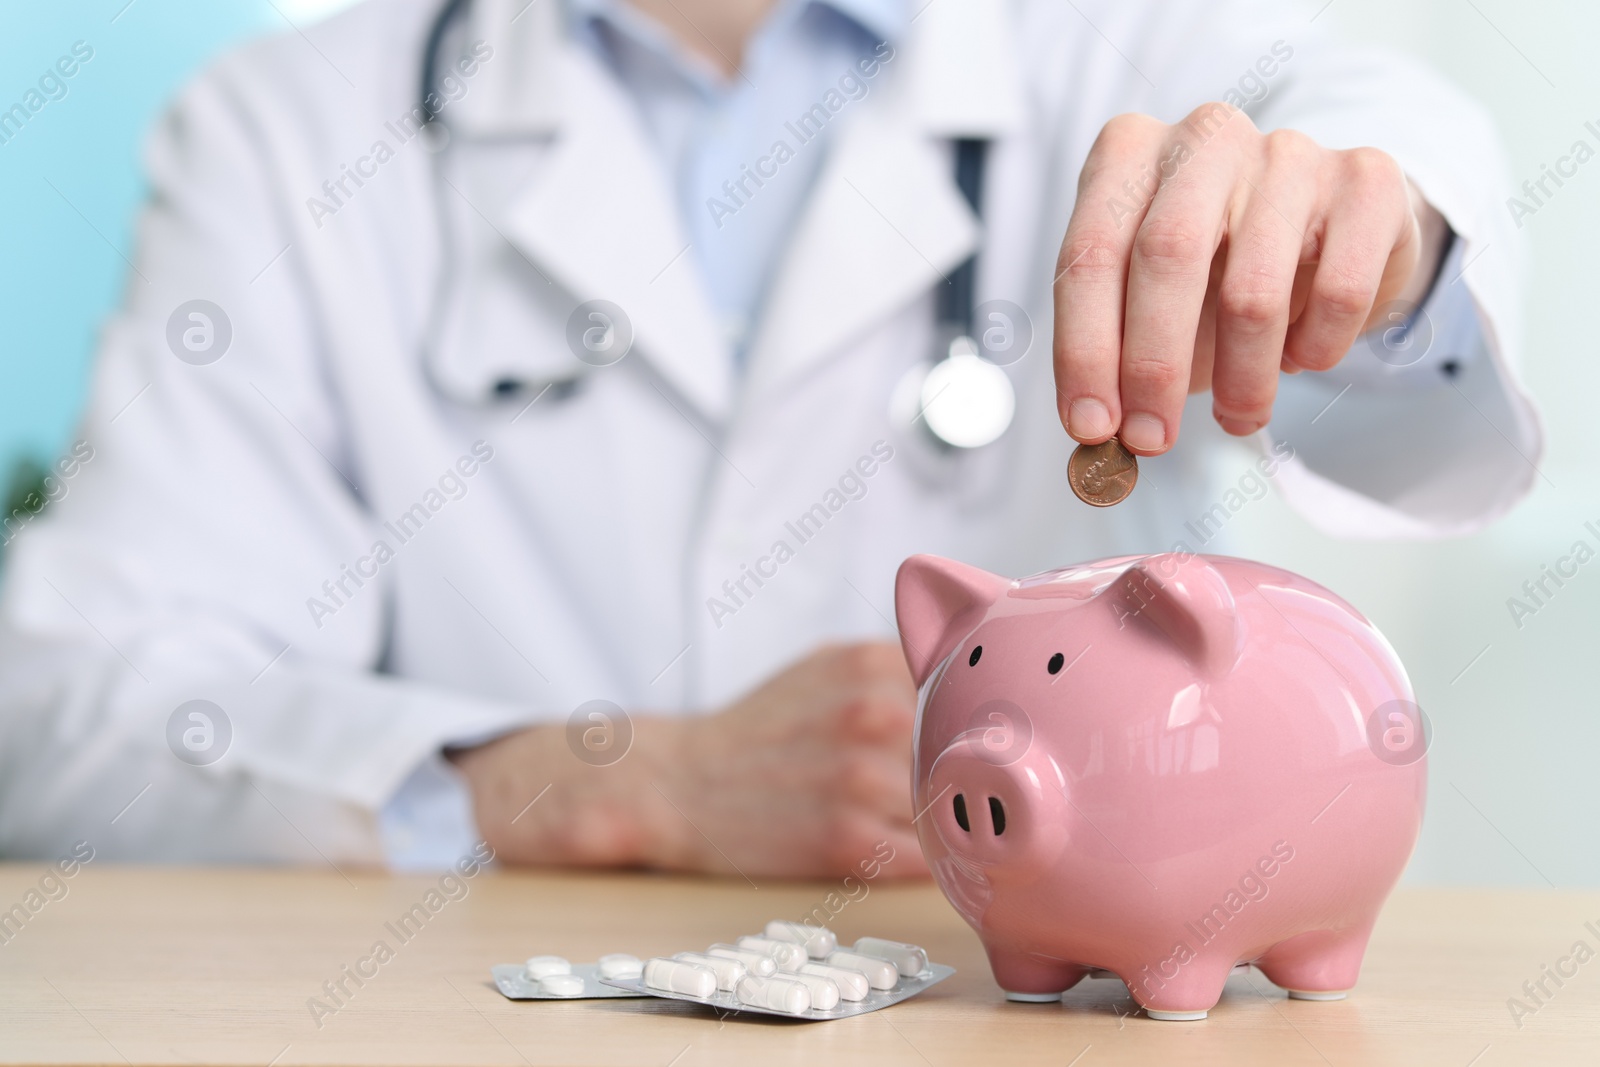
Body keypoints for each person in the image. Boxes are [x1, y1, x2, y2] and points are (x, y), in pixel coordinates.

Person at [0, 0, 1539, 875]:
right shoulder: (290, 133)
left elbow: (1348, 132)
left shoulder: (1111, 42)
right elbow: (73, 720)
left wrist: (1373, 245)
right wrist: (592, 787)